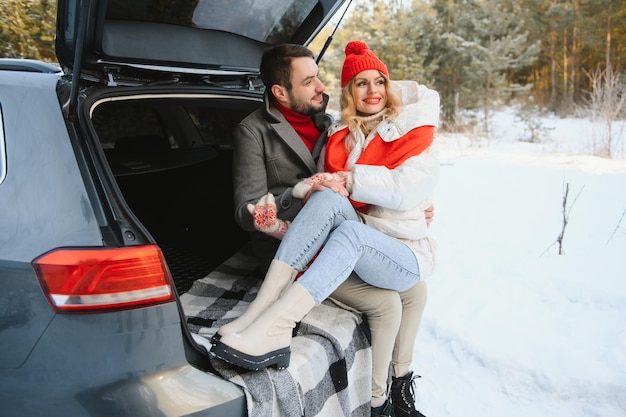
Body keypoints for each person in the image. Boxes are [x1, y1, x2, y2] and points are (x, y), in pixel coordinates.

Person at [211, 41, 439, 417]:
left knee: (416, 291)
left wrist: (416, 204)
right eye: (310, 81)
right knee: (386, 302)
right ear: (281, 92)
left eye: (319, 77)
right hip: (288, 240)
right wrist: (280, 207)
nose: (322, 87)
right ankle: (375, 401)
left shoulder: (329, 123)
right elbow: (246, 208)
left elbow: (387, 175)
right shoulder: (254, 131)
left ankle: (396, 395)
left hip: (342, 229)